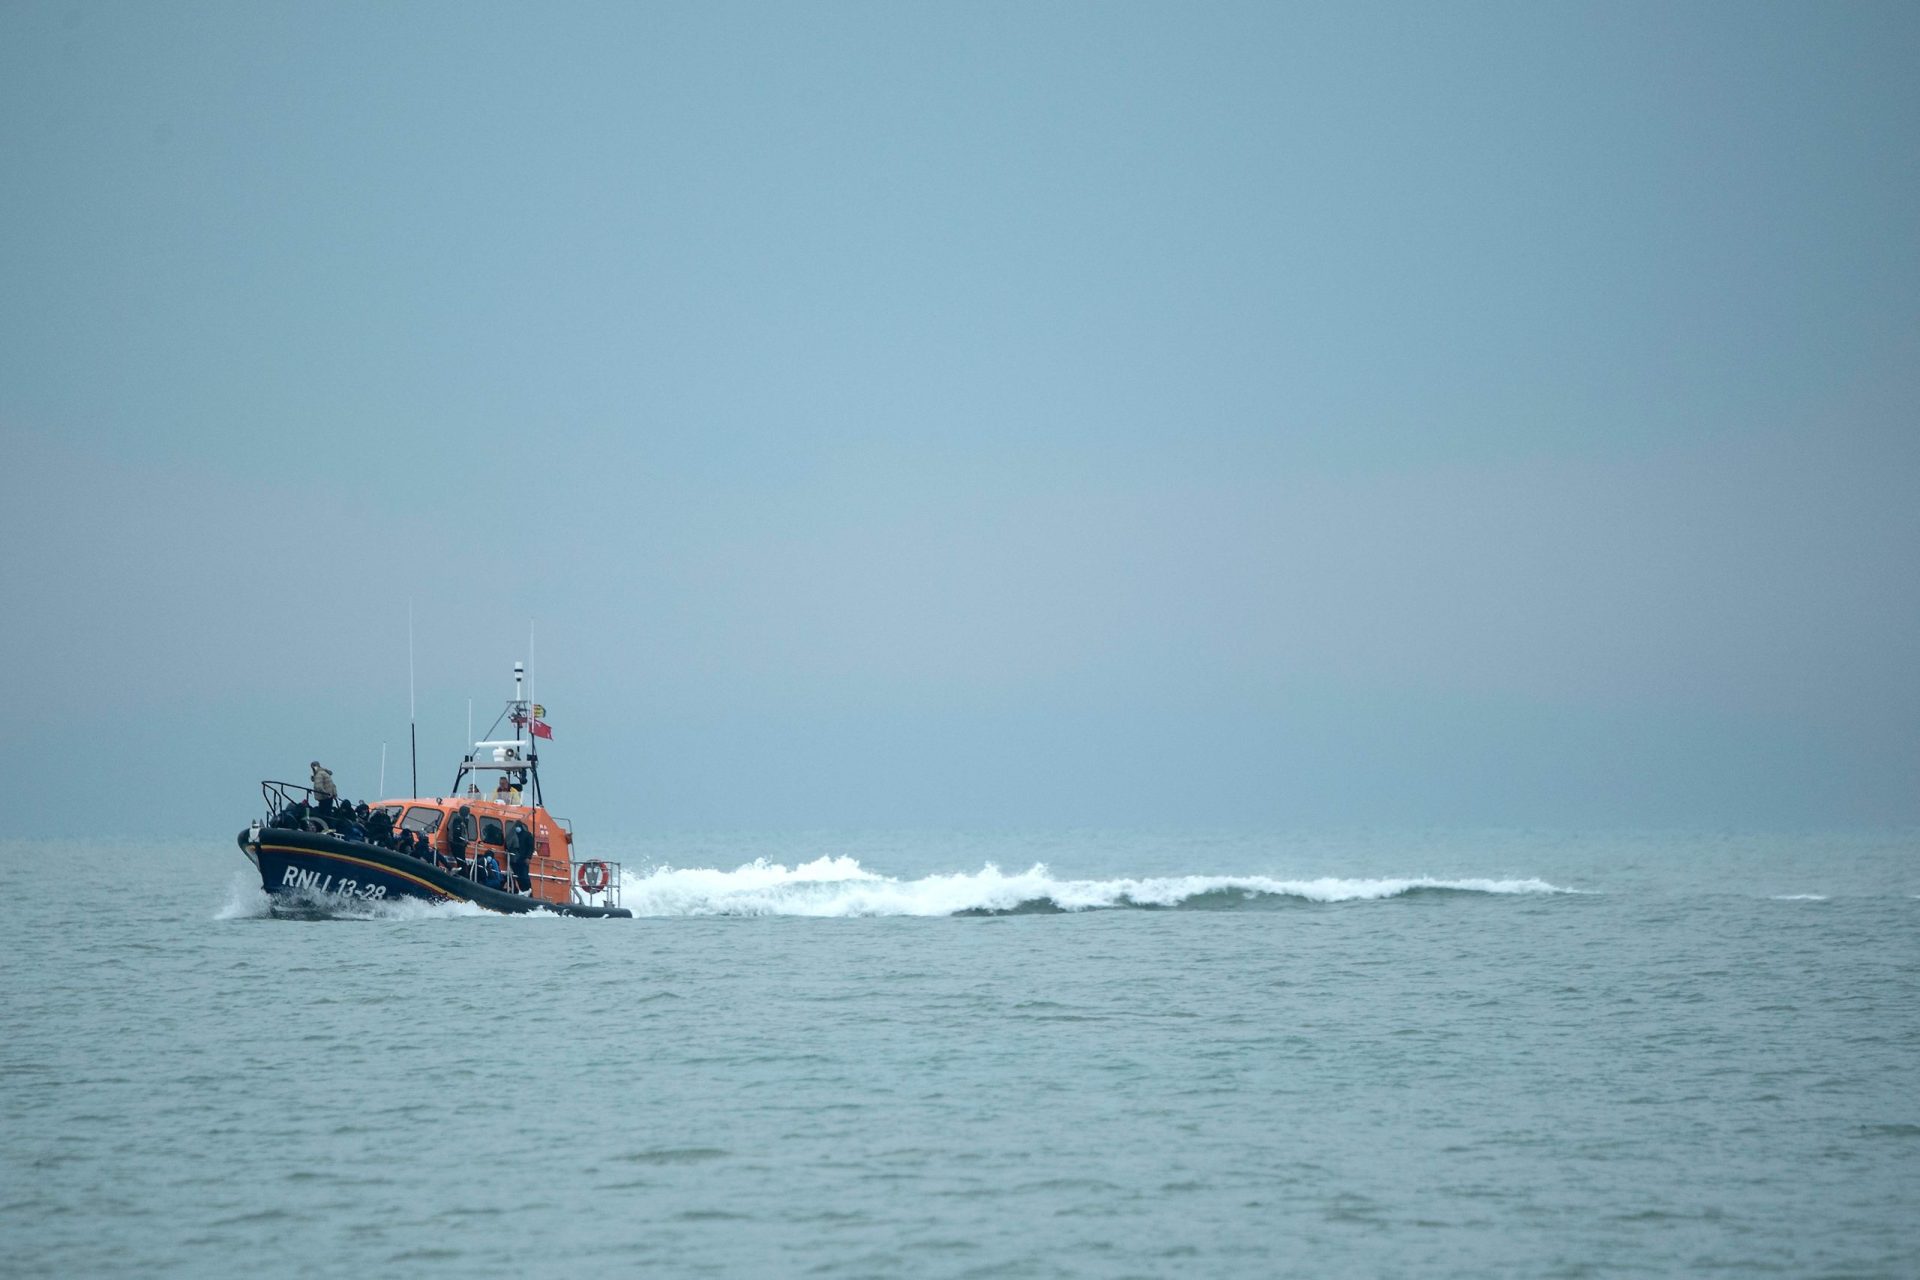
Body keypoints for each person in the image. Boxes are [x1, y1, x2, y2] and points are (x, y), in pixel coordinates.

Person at [507, 820, 533, 894]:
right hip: (515, 859)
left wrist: (528, 857)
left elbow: (531, 847)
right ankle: (522, 890)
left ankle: (528, 890)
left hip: (524, 859)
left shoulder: (527, 835)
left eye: (517, 826)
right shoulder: (513, 835)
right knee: (518, 876)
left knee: (524, 876)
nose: (516, 828)